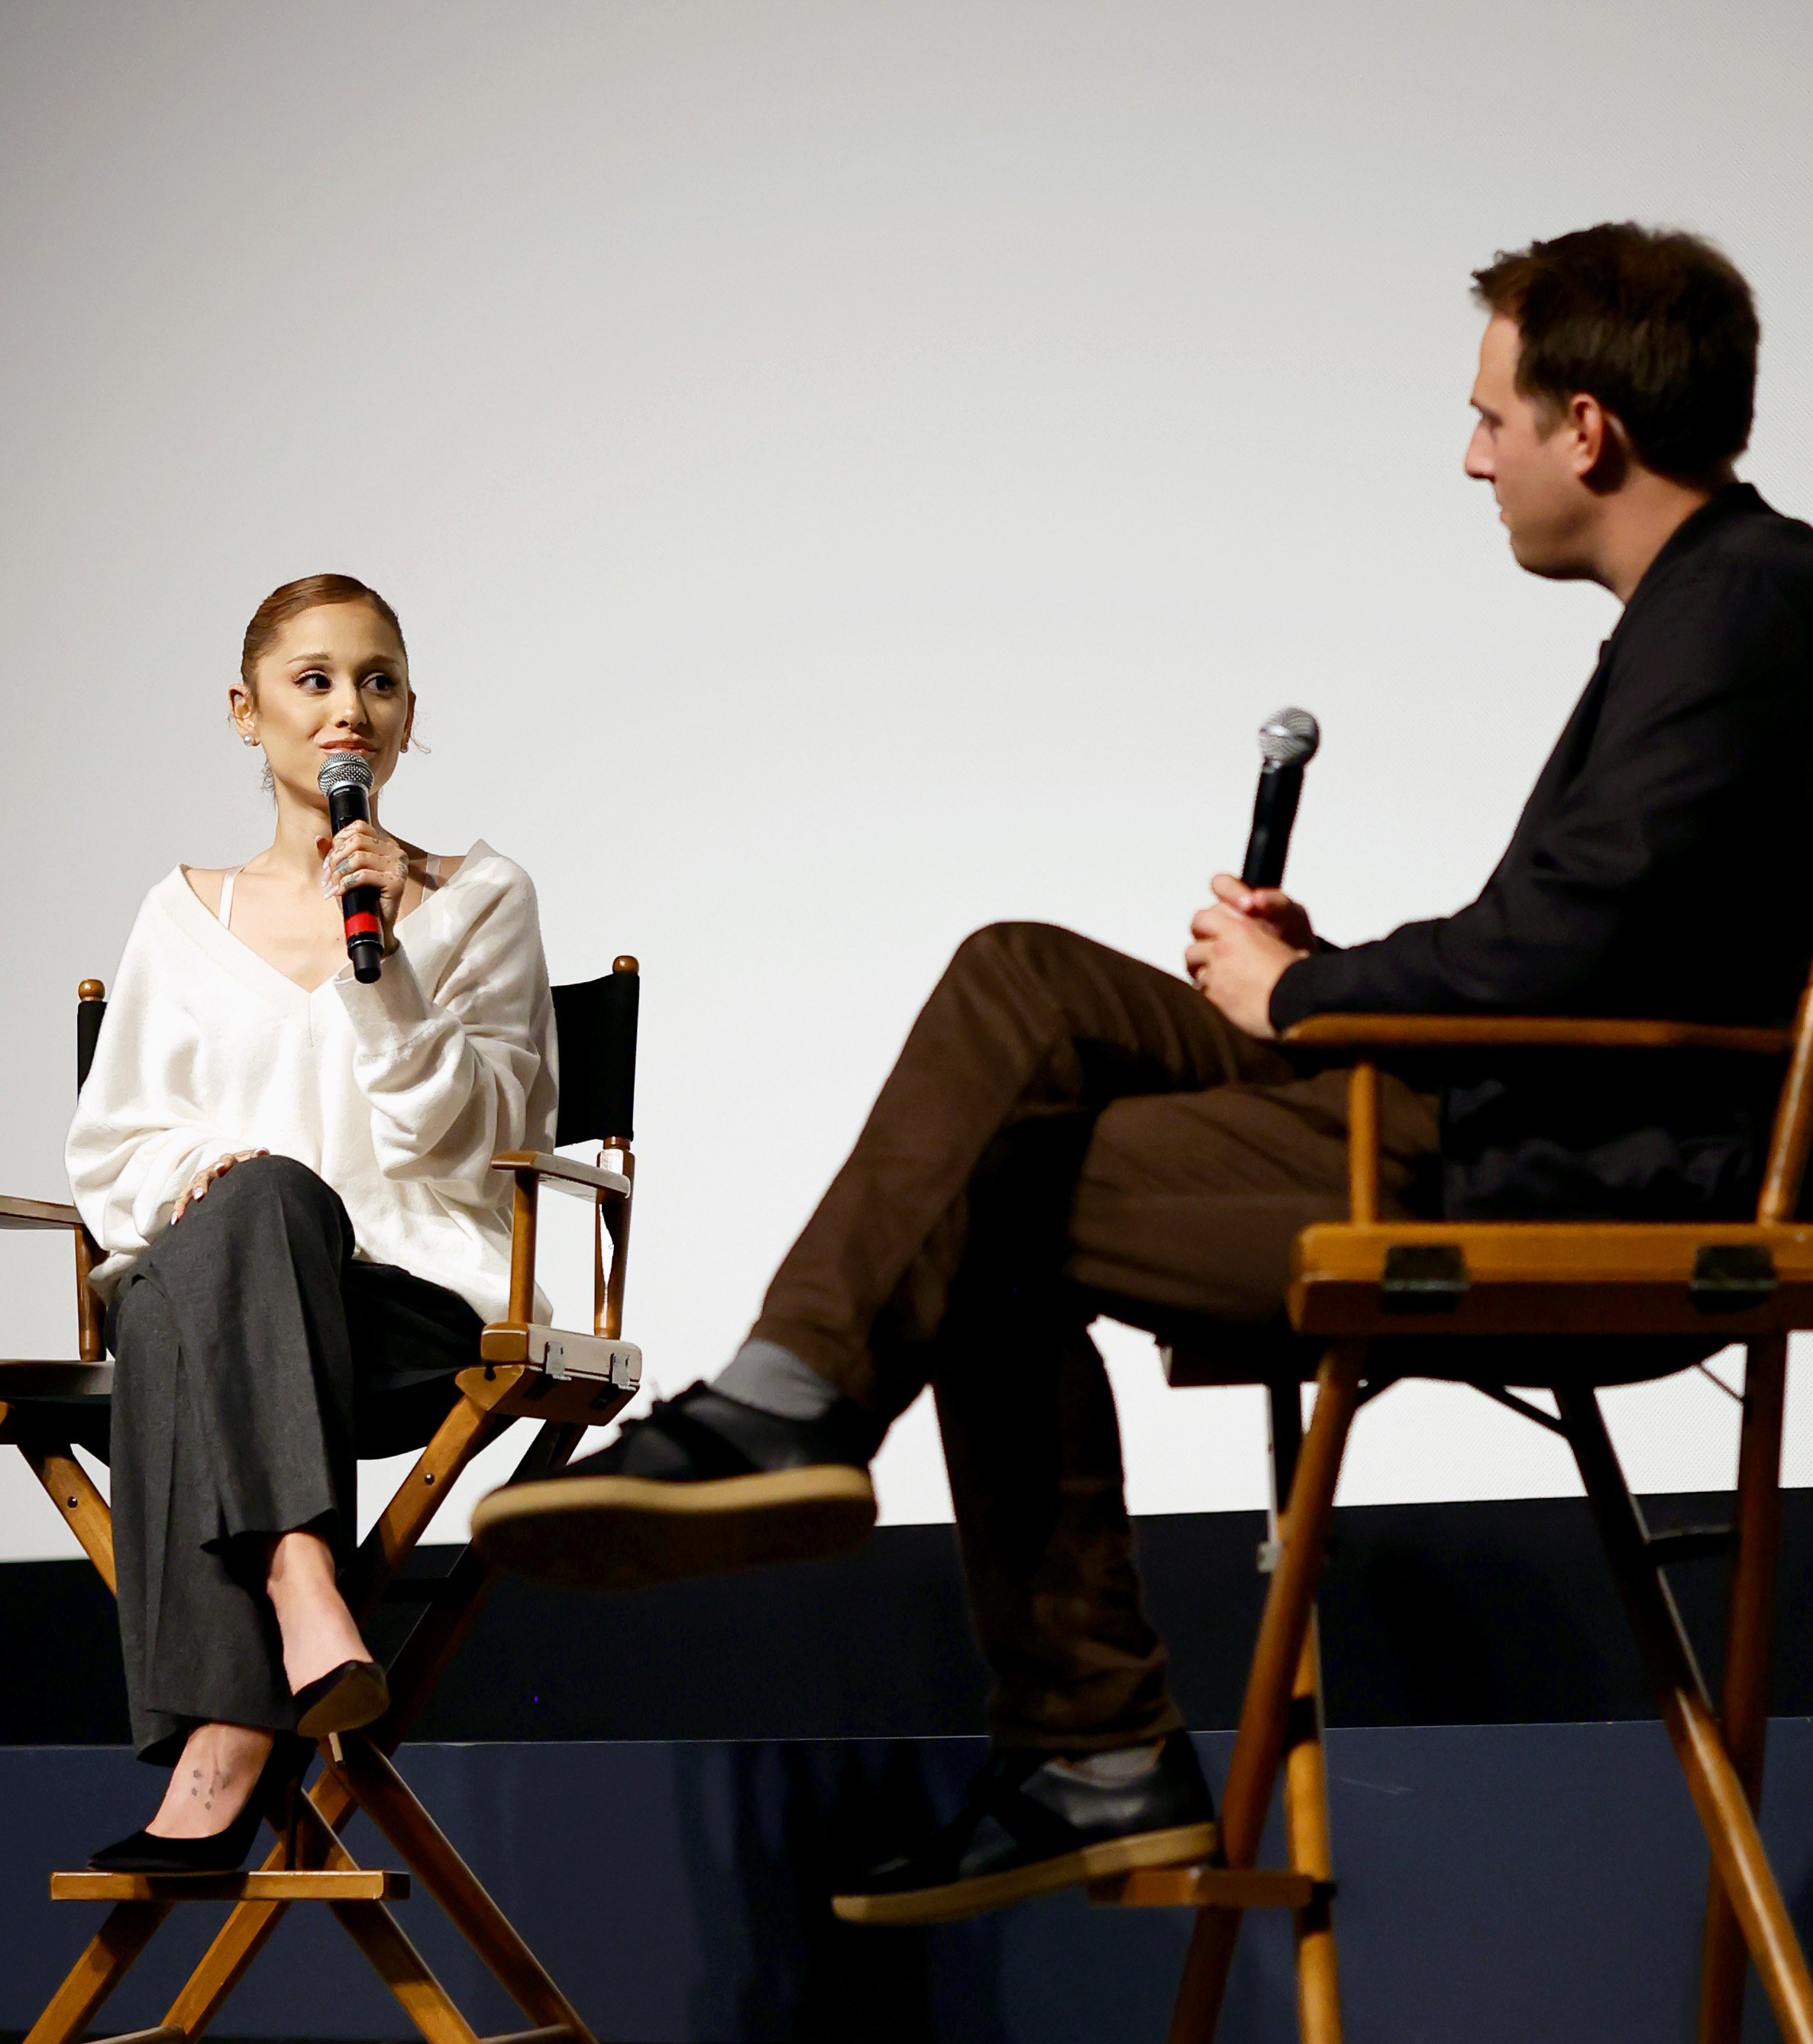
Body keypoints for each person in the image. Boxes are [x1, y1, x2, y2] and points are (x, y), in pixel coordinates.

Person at [473, 223, 1813, 1924]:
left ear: (1588, 431)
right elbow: (1589, 931)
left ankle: (1061, 1713)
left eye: (1490, 418)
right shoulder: (1708, 605)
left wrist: (1304, 991)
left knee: (980, 1188)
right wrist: (1318, 979)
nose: (1471, 458)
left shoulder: (1747, 603)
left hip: (1552, 1171)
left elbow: (1570, 941)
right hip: (1492, 1107)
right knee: (1020, 982)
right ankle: (799, 1412)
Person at [67, 573, 557, 1872]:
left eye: (379, 681)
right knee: (250, 1205)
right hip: (222, 1306)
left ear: (408, 716)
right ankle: (300, 1580)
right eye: (316, 679)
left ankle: (221, 1741)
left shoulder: (480, 898)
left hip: (403, 1312)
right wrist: (214, 1172)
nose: (350, 709)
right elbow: (112, 1150)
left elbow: (476, 1140)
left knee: (217, 1267)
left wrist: (387, 962)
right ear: (248, 710)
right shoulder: (181, 916)